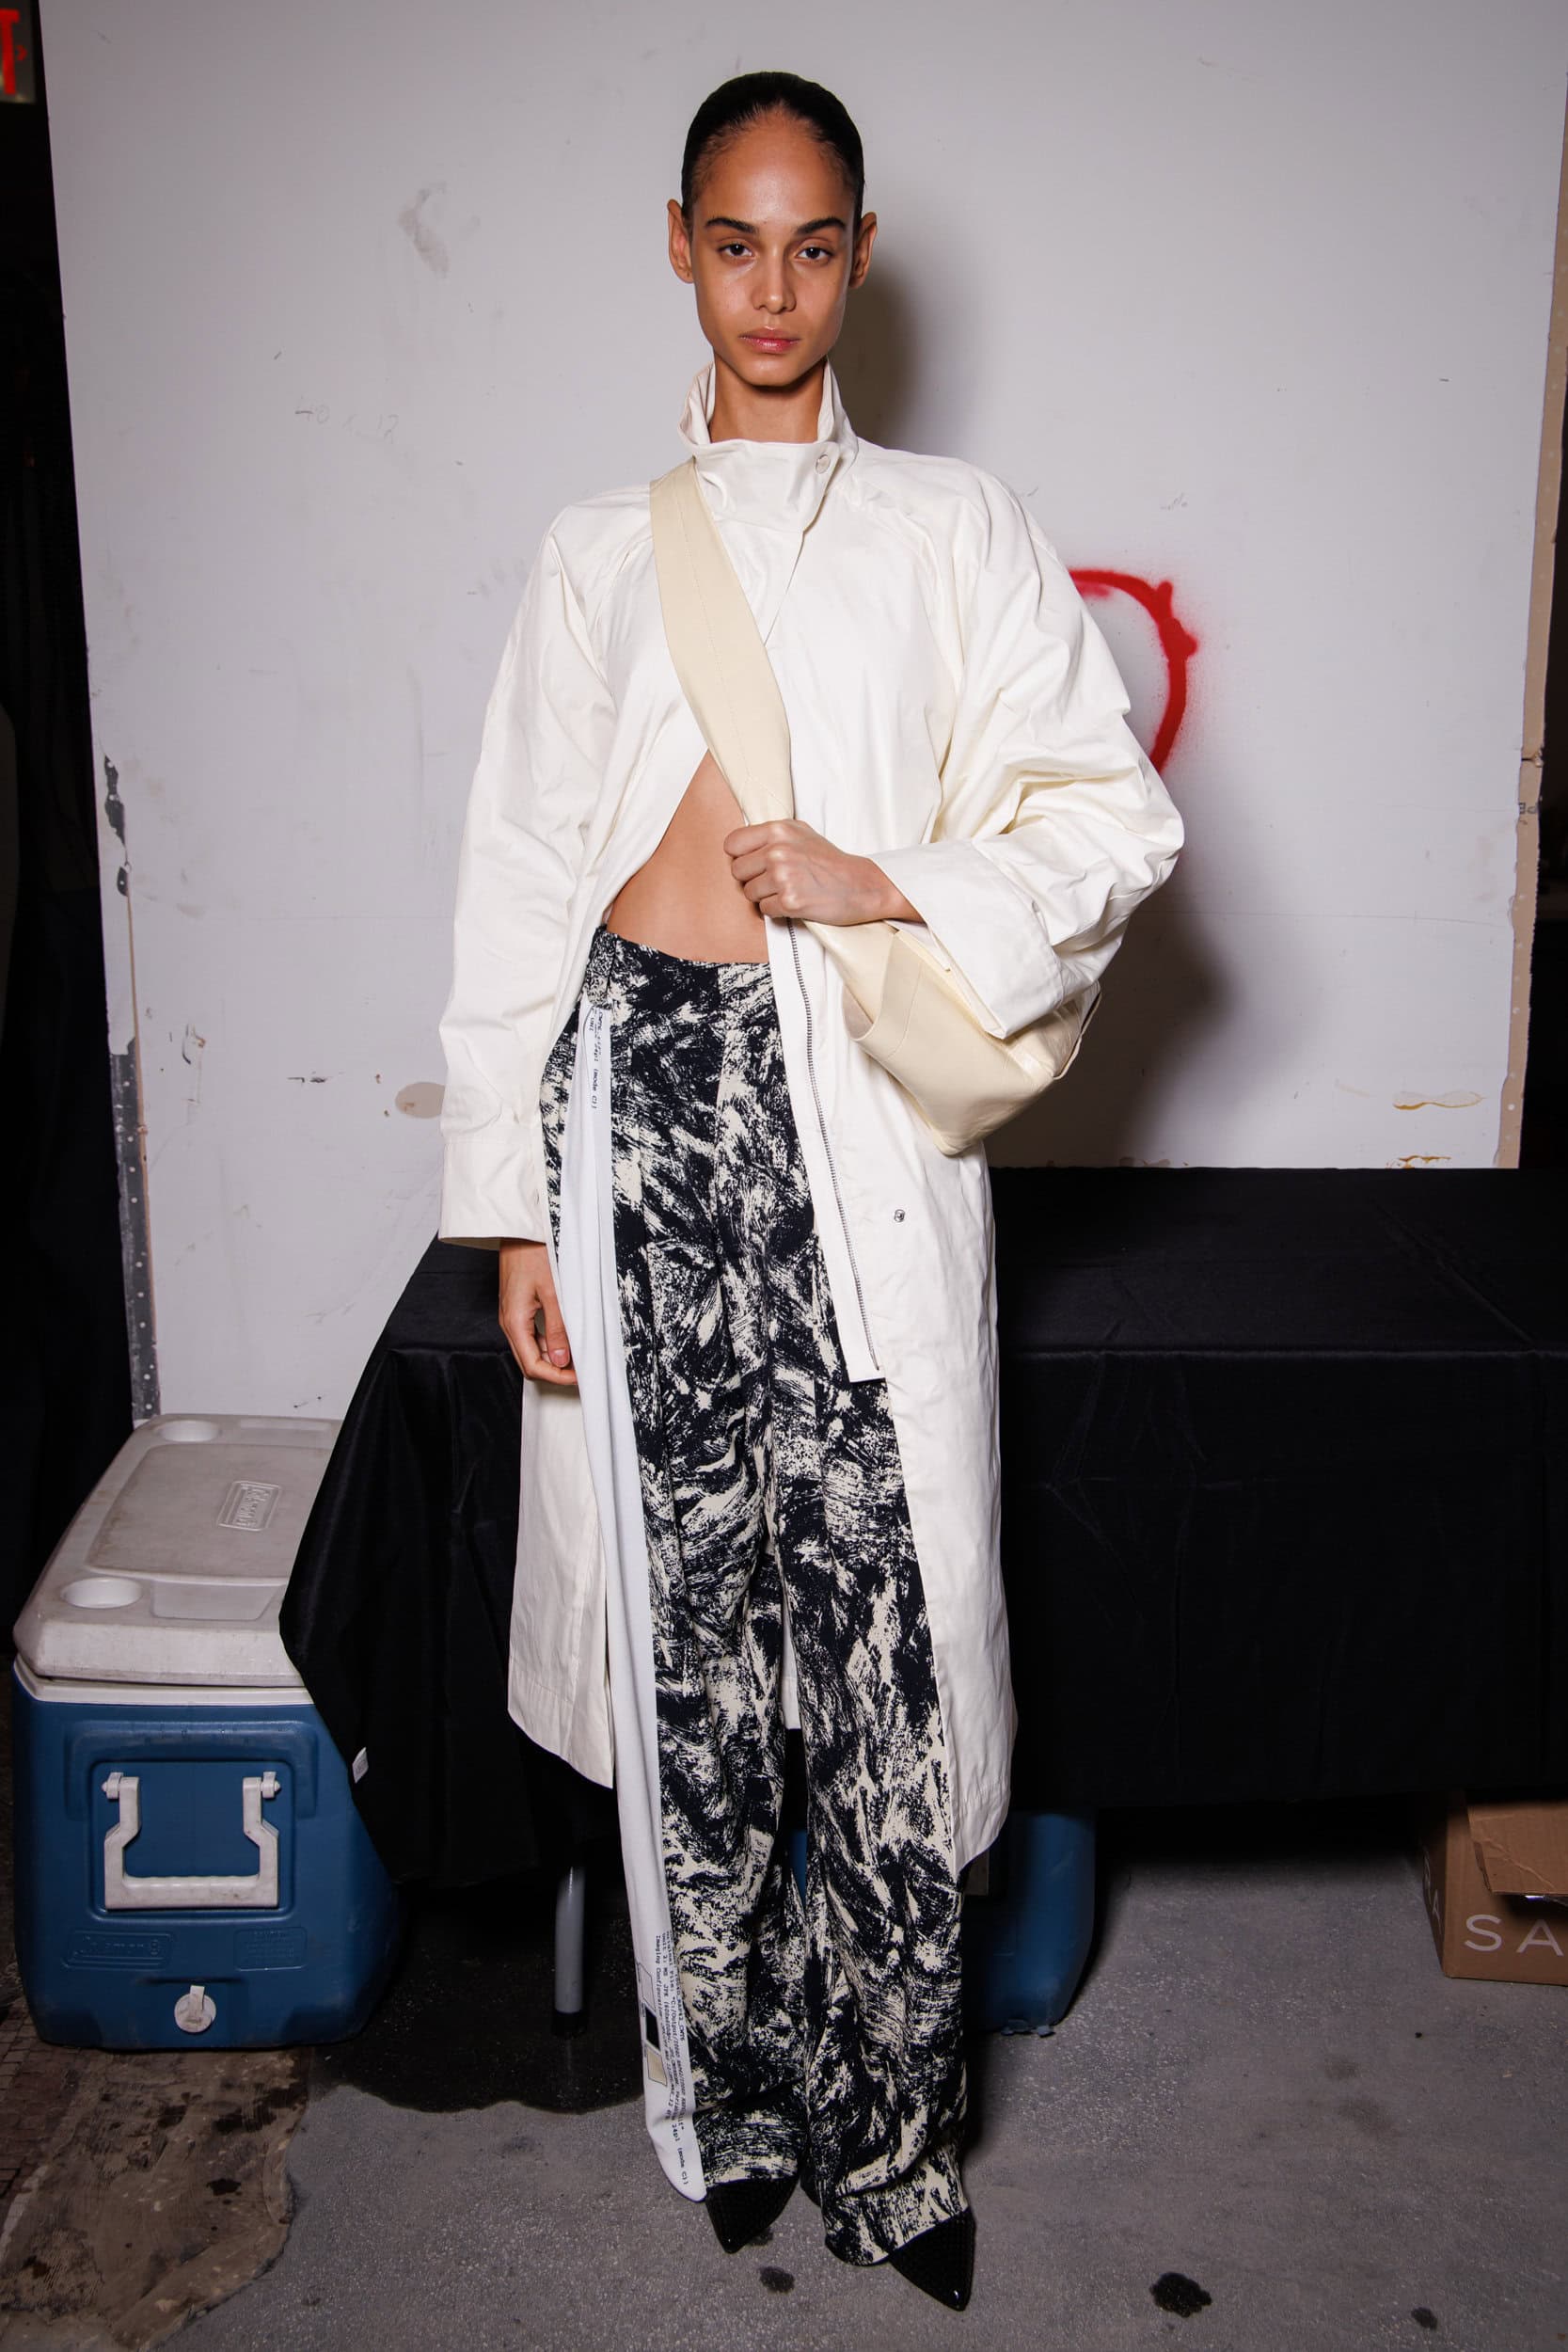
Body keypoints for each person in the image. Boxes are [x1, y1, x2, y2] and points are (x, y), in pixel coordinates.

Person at [436, 68, 1184, 2312]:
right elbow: (515, 882)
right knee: (695, 1643)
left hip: (842, 1107)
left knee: (875, 1634)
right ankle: (735, 2104)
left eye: (815, 243)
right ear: (682, 246)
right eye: (736, 241)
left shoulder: (956, 528)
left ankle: (899, 2142)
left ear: (859, 258)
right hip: (634, 1112)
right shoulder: (597, 546)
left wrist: (890, 875)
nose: (774, 287)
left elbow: (1112, 816)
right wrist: (508, 1205)